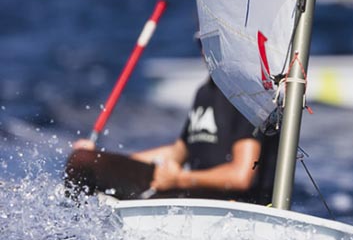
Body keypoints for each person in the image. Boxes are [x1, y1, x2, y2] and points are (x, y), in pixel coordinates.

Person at [65, 76, 278, 205]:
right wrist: (105, 158)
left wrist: (180, 180)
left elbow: (241, 176)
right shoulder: (206, 92)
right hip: (188, 192)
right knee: (84, 161)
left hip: (225, 205)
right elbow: (176, 153)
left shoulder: (245, 96)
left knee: (85, 161)